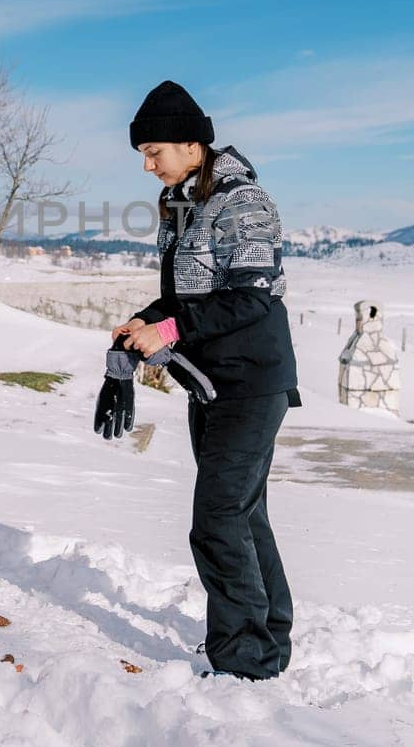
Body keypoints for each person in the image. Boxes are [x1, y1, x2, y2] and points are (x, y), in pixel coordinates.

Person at [106, 80, 301, 681]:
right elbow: (185, 295)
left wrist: (170, 331)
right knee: (242, 515)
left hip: (251, 383)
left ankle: (244, 660)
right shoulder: (184, 202)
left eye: (154, 151)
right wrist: (147, 320)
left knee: (217, 519)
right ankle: (267, 638)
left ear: (193, 145)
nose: (147, 164)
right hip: (211, 385)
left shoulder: (244, 203)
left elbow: (251, 299)